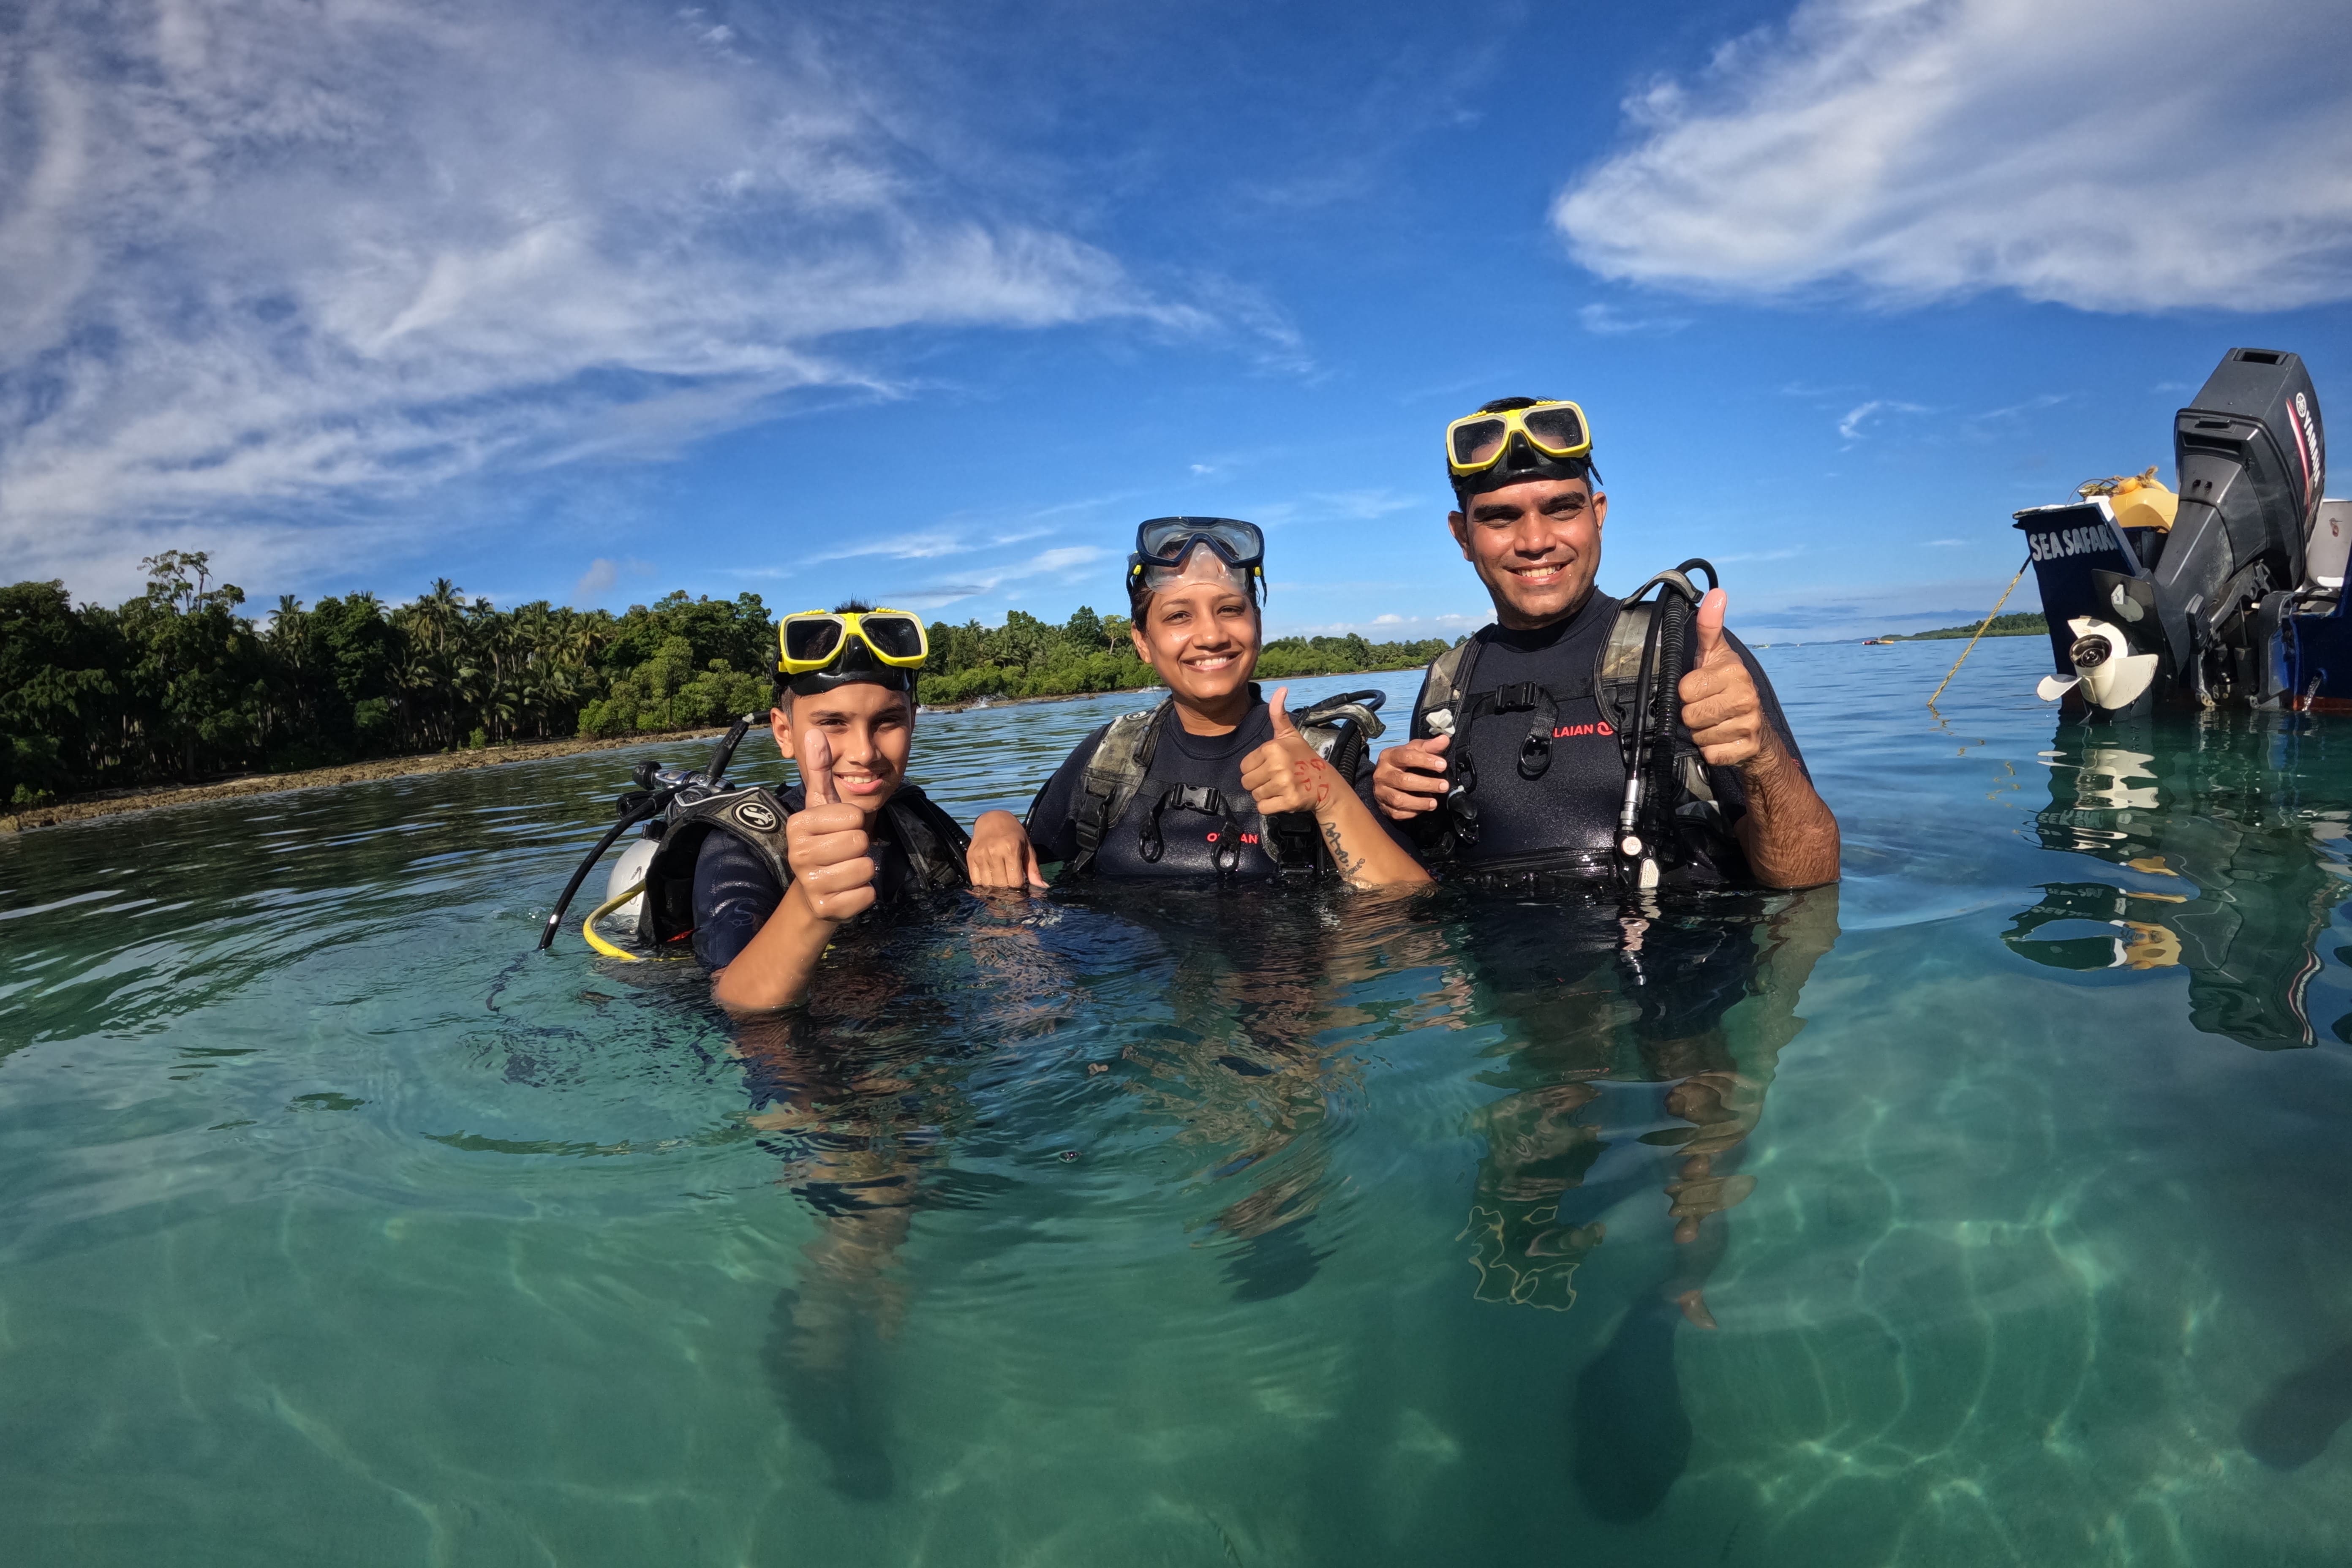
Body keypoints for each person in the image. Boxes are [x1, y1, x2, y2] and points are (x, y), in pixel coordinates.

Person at [1370, 397, 1840, 889]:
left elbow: (1811, 874)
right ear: (1462, 536)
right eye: (1501, 518)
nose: (1535, 541)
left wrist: (1761, 754)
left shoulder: (1682, 649)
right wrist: (1395, 807)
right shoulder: (1448, 686)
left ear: (1598, 514)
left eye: (1561, 509)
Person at [966, 517, 1428, 889]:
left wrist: (1328, 796)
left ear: (1258, 625)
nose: (1211, 636)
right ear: (1143, 642)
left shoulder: (1327, 757)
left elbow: (1415, 903)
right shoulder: (1110, 756)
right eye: (1178, 616)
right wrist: (995, 821)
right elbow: (1028, 852)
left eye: (1230, 609)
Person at [675, 602, 973, 1012]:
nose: (864, 753)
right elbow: (733, 997)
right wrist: (809, 905)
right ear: (785, 733)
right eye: (833, 723)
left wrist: (998, 826)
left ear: (913, 721)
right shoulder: (737, 848)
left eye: (888, 721)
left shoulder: (915, 818)